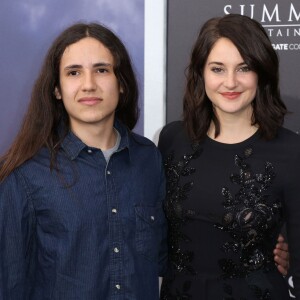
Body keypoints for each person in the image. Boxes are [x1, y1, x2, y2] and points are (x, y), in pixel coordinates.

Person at [0, 22, 167, 299]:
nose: (89, 85)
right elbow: (10, 284)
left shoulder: (149, 159)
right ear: (57, 89)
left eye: (101, 70)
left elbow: (163, 258)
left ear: (121, 83)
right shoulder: (25, 174)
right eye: (74, 72)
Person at [158, 14, 300, 299]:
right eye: (218, 69)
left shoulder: (291, 150)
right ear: (201, 73)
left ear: (261, 71)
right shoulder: (171, 140)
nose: (231, 82)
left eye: (244, 67)